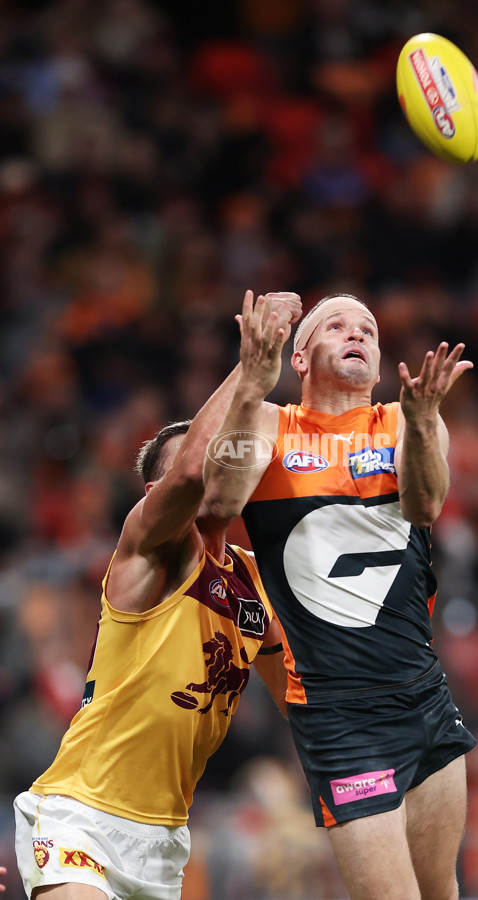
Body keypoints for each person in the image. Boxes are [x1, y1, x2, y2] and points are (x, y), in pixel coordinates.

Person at [13, 292, 301, 900]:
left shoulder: (256, 583)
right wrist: (251, 374)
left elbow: (298, 701)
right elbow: (193, 472)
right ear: (153, 492)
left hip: (164, 840)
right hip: (80, 815)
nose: (227, 455)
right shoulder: (153, 547)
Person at [202, 291, 478, 900]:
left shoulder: (403, 421)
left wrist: (427, 418)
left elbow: (426, 504)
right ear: (299, 357)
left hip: (423, 693)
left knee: (442, 891)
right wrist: (251, 382)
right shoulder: (273, 423)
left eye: (368, 330)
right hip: (340, 716)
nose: (357, 334)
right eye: (336, 326)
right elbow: (218, 503)